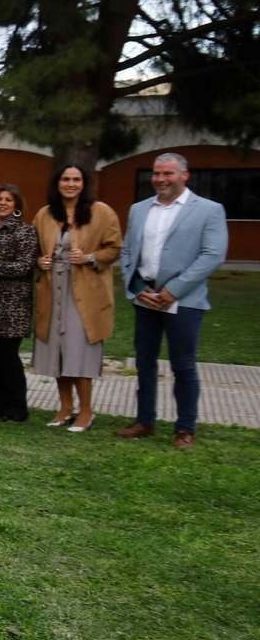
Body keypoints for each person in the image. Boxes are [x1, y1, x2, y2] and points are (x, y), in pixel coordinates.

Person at [116, 152, 229, 447]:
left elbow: (213, 255)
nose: (161, 179)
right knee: (144, 362)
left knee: (183, 365)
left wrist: (174, 289)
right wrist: (136, 287)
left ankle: (185, 428)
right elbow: (127, 252)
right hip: (146, 297)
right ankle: (145, 421)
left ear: (184, 175)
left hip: (184, 300)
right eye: (157, 173)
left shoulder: (208, 210)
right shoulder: (139, 209)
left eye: (168, 173)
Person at [33, 163, 121, 432]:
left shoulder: (101, 212)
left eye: (76, 179)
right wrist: (39, 261)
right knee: (57, 350)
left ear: (84, 183)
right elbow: (33, 248)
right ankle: (65, 407)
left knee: (79, 350)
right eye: (65, 179)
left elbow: (114, 248)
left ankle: (86, 411)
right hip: (53, 287)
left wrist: (89, 257)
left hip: (84, 289)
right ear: (57, 183)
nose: (70, 184)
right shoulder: (45, 214)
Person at [0, 184, 39, 423]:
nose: (2, 203)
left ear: (16, 205)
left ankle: (17, 407)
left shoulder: (24, 231)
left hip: (13, 305)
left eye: (8, 200)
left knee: (8, 357)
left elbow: (25, 266)